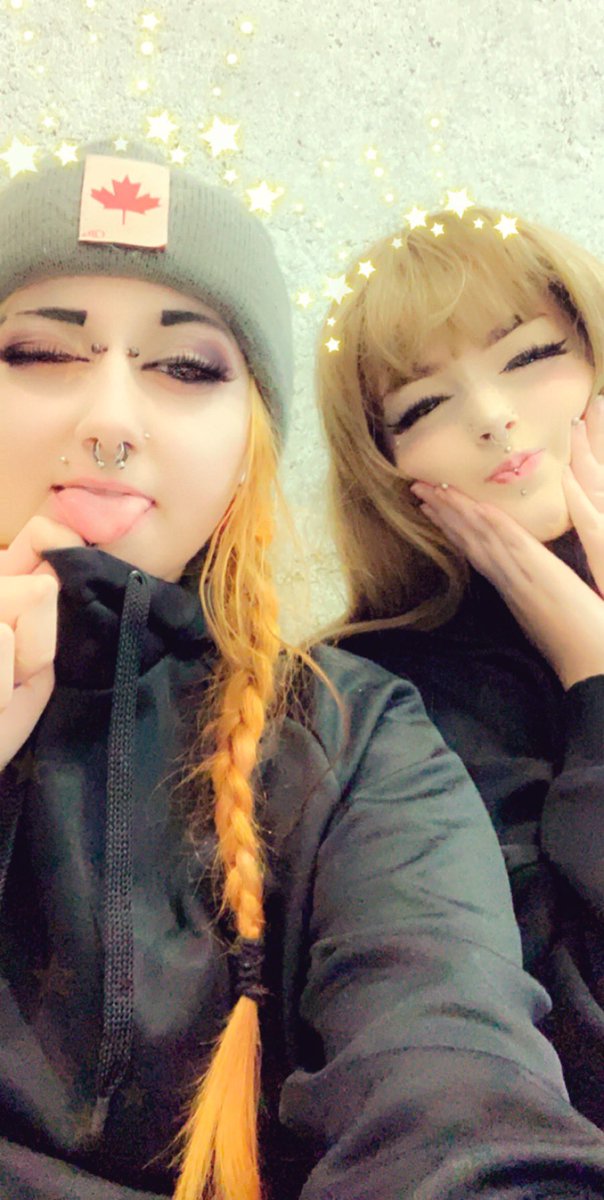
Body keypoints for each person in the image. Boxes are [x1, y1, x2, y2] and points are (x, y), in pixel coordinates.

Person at [1, 150, 604, 1200]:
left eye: (187, 368)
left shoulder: (350, 735)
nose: (110, 421)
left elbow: (456, 1085)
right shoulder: (408, 685)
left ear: (251, 444)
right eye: (37, 353)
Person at [316, 202, 604, 1134]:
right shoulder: (369, 700)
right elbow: (559, 1059)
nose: (493, 418)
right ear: (387, 470)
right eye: (424, 406)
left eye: (531, 354)